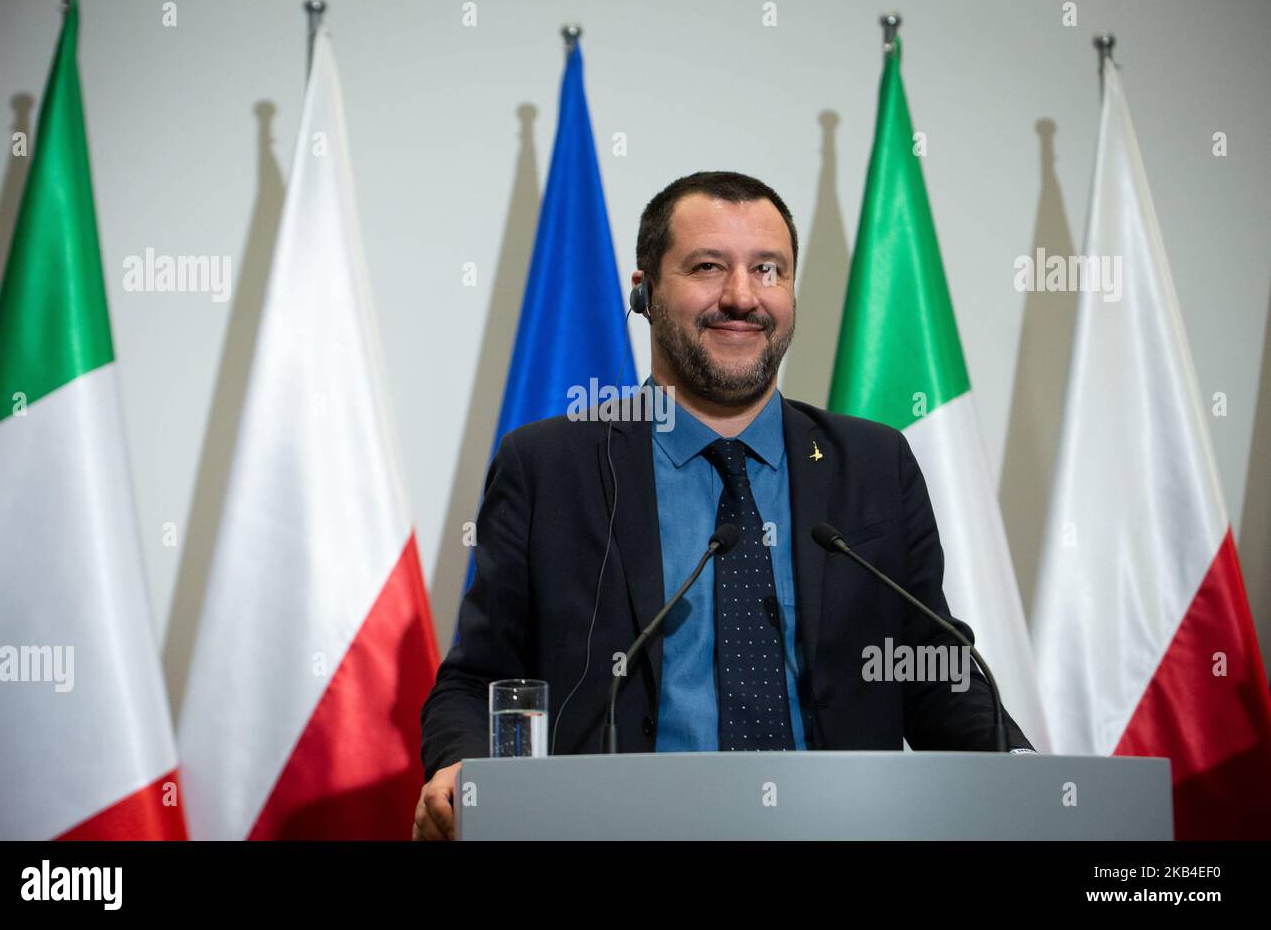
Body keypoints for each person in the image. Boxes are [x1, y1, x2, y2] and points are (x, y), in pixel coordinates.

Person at [413, 171, 1034, 840]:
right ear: (644, 291)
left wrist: (1024, 771)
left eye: (768, 270)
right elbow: (480, 680)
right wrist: (460, 766)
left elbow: (930, 671)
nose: (742, 297)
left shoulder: (873, 465)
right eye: (708, 267)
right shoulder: (550, 466)